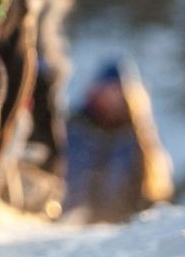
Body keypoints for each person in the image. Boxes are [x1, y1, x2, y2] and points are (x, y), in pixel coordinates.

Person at [63, 60, 174, 224]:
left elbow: (155, 194)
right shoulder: (70, 129)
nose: (112, 98)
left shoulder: (141, 141)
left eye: (118, 92)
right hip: (65, 228)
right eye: (107, 90)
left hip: (121, 234)